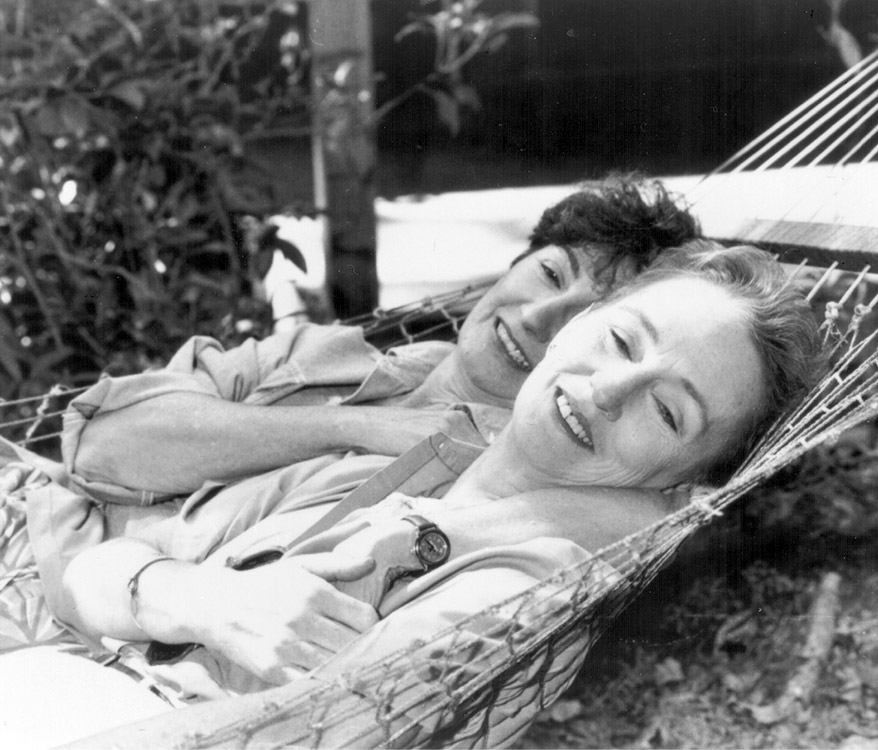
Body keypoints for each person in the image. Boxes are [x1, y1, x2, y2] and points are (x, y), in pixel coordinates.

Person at [0, 243, 825, 747]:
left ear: (685, 482)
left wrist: (150, 588)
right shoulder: (440, 452)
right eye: (619, 340)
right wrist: (181, 594)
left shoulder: (514, 593)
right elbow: (109, 565)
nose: (611, 390)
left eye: (666, 409)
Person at [59, 174, 700, 506]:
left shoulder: (494, 473)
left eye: (588, 319)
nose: (538, 317)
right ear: (512, 265)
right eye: (550, 272)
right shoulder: (321, 352)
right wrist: (351, 428)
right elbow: (98, 443)